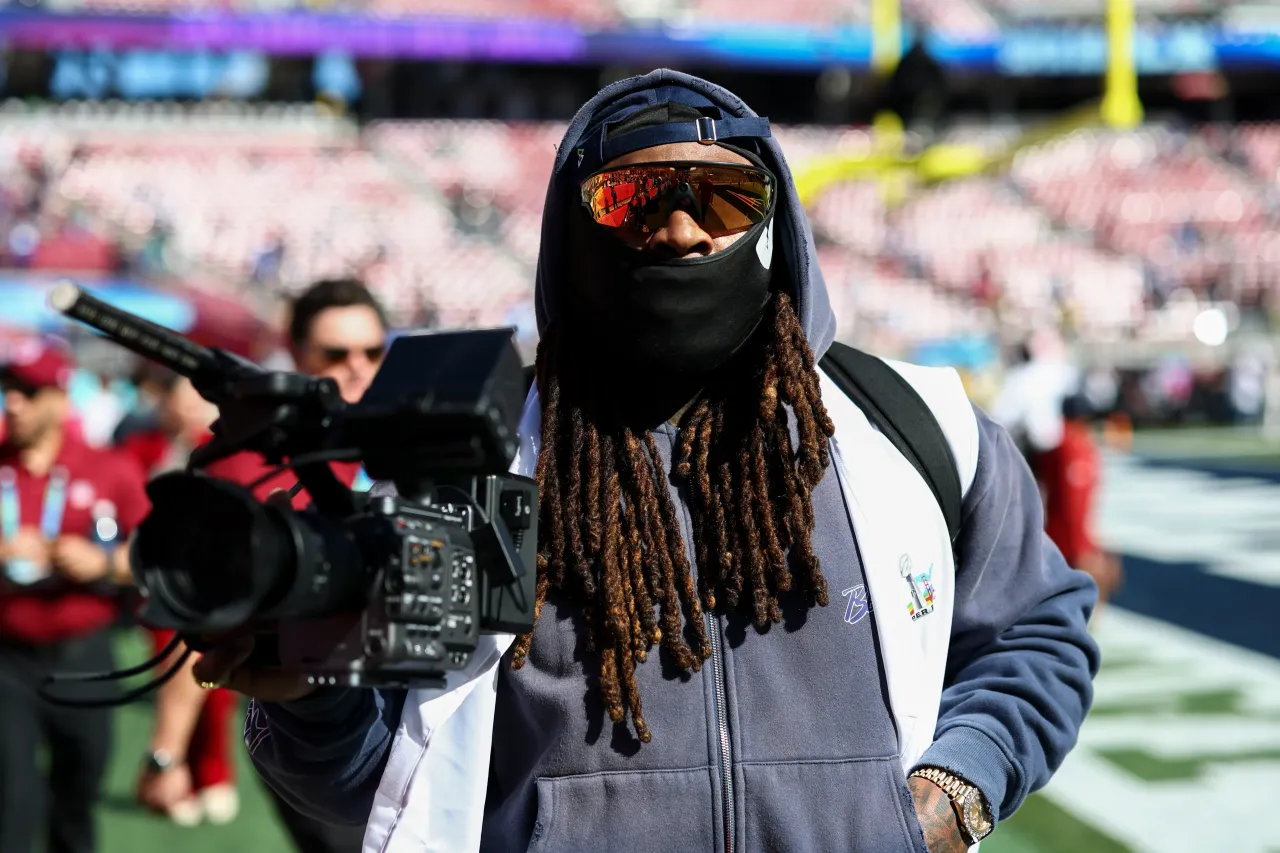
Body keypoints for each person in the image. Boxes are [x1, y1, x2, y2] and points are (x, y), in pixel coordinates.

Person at [199, 72, 1099, 853]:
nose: (679, 230)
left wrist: (953, 792)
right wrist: (311, 696)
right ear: (573, 227)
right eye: (631, 198)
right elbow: (381, 781)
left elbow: (1035, 632)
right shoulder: (478, 464)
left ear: (773, 221)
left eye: (724, 198)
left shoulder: (912, 427)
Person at [139, 279, 386, 849]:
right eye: (336, 353)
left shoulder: (419, 448)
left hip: (424, 713)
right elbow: (201, 619)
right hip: (317, 724)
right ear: (295, 353)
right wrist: (166, 752)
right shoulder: (252, 465)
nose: (358, 368)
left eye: (372, 352)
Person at [0, 338, 149, 853]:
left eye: (29, 392)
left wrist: (102, 563)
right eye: (8, 390)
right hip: (8, 655)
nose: (14, 403)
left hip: (84, 654)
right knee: (11, 796)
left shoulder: (108, 466)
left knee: (77, 794)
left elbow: (155, 553)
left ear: (60, 398)